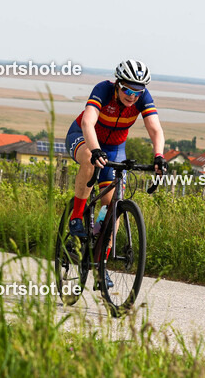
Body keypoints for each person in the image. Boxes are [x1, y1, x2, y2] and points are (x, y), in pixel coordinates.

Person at [64, 59, 166, 251]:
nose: (132, 97)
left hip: (114, 147)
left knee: (112, 207)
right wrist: (94, 149)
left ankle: (102, 262)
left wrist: (159, 156)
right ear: (118, 84)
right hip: (83, 135)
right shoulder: (103, 89)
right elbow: (87, 122)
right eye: (128, 90)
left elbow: (155, 129)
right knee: (89, 160)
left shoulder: (143, 98)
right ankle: (76, 216)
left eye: (138, 92)